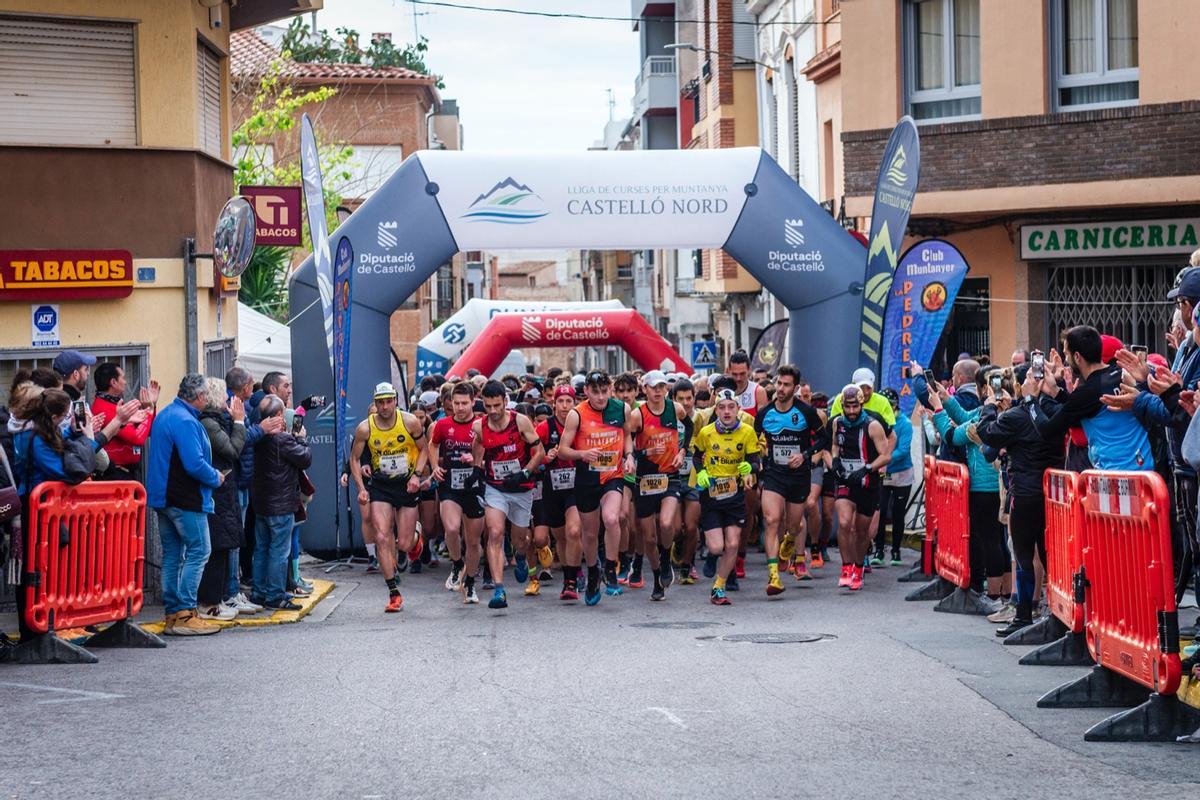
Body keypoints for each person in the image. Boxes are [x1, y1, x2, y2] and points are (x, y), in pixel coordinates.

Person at [974, 364, 1065, 636]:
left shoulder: (1018, 415)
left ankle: (1024, 615)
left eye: (1030, 377)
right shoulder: (1054, 412)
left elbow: (987, 433)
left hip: (1025, 491)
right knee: (1049, 555)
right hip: (1050, 492)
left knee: (1024, 554)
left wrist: (990, 405)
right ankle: (1056, 614)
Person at [145, 374, 225, 636]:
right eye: (206, 396)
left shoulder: (167, 415)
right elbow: (194, 463)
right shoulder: (185, 421)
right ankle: (185, 613)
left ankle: (173, 613)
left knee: (172, 555)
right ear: (200, 397)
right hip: (184, 498)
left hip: (164, 497)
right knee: (199, 550)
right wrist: (216, 476)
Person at [927, 368, 1007, 602]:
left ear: (984, 389)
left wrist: (938, 410)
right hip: (997, 486)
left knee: (990, 541)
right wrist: (946, 399)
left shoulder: (986, 416)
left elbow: (952, 436)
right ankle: (1004, 593)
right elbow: (964, 416)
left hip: (984, 488)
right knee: (1000, 541)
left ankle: (993, 596)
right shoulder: (997, 411)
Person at [1028, 326, 1154, 471]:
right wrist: (1056, 392)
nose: (1066, 360)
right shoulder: (1121, 375)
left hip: (1116, 476)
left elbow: (1047, 430)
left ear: (1077, 357)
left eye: (1066, 355)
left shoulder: (1088, 391)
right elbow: (1082, 406)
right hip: (1145, 471)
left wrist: (1030, 399)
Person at [349, 382, 426, 613]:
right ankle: (393, 592)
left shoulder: (409, 421)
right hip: (381, 485)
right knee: (382, 537)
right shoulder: (365, 428)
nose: (384, 407)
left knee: (403, 543)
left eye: (388, 401)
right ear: (376, 402)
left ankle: (415, 537)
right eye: (380, 402)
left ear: (395, 401)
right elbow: (354, 459)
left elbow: (425, 448)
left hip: (406, 484)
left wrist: (417, 475)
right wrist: (361, 488)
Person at [557, 370, 631, 606]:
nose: (600, 397)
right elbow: (562, 450)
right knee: (589, 533)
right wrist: (582, 454)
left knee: (612, 519)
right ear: (586, 391)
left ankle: (610, 566)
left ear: (610, 389)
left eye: (604, 391)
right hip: (587, 478)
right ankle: (592, 572)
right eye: (595, 392)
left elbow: (627, 436)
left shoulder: (621, 409)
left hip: (613, 475)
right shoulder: (576, 414)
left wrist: (629, 456)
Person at [471, 380, 545, 609]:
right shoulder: (479, 426)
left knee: (520, 540)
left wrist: (525, 473)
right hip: (496, 486)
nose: (492, 411)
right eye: (488, 406)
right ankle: (499, 590)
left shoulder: (520, 421)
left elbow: (539, 451)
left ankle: (521, 556)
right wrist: (476, 469)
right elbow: (478, 444)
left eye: (497, 406)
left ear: (505, 401)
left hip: (521, 488)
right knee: (494, 532)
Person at [755, 365, 826, 597]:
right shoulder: (765, 414)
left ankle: (789, 545)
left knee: (794, 527)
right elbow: (754, 441)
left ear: (795, 388)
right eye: (779, 384)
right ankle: (774, 576)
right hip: (775, 475)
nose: (781, 389)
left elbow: (824, 438)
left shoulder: (805, 412)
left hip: (798, 476)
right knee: (772, 520)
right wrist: (759, 458)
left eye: (786, 385)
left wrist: (804, 455)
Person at [693, 388, 761, 605]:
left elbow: (757, 461)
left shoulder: (747, 432)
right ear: (716, 410)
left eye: (731, 407)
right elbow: (696, 457)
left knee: (732, 544)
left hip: (735, 495)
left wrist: (749, 466)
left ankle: (718, 587)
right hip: (712, 496)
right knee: (716, 547)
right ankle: (713, 555)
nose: (727, 411)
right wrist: (702, 472)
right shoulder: (706, 432)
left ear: (738, 409)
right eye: (722, 407)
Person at [421, 381, 484, 603]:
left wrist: (477, 461)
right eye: (456, 403)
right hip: (450, 485)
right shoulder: (442, 425)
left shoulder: (480, 424)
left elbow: (489, 451)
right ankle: (457, 564)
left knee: (474, 542)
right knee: (451, 528)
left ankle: (471, 583)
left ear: (473, 402)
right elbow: (432, 445)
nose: (460, 407)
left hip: (474, 485)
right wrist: (434, 466)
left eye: (464, 403)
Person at [196, 378, 253, 620]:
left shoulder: (217, 421)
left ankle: (218, 598)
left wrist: (235, 421)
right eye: (224, 396)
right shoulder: (209, 423)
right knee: (217, 547)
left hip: (224, 488)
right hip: (217, 490)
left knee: (224, 544)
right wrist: (239, 421)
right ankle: (210, 601)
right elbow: (232, 450)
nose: (228, 400)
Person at [626, 370, 686, 601]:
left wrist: (682, 451)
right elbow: (627, 442)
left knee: (667, 521)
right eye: (653, 387)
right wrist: (639, 454)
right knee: (649, 537)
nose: (658, 390)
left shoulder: (675, 409)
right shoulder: (637, 415)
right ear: (645, 390)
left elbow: (689, 429)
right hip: (645, 480)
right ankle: (657, 575)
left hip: (670, 475)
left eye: (662, 386)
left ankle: (667, 556)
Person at [250, 394, 312, 612]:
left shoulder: (257, 437)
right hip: (281, 504)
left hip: (261, 503)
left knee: (261, 548)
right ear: (277, 415)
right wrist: (301, 438)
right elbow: (305, 458)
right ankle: (275, 594)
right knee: (279, 550)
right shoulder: (282, 439)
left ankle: (258, 592)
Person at [830, 385, 891, 591]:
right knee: (845, 523)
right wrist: (836, 461)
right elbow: (835, 445)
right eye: (847, 407)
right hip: (846, 479)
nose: (851, 411)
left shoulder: (872, 425)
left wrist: (867, 469)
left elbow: (885, 455)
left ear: (861, 404)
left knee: (862, 530)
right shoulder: (837, 423)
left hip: (867, 482)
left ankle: (858, 567)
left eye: (855, 406)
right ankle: (846, 567)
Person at [536, 384, 585, 601]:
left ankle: (570, 581)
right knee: (562, 538)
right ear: (553, 404)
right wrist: (545, 457)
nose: (565, 406)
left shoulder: (582, 425)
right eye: (561, 401)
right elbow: (533, 454)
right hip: (552, 489)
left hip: (576, 487)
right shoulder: (545, 427)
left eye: (569, 401)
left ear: (575, 404)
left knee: (574, 531)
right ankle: (571, 570)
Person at [90, 362, 159, 480]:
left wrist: (150, 407)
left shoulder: (114, 404)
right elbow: (137, 437)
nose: (125, 382)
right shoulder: (103, 408)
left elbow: (148, 431)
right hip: (115, 475)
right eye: (123, 377)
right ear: (113, 382)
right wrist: (149, 410)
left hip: (124, 471)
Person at [872, 388, 914, 567]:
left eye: (892, 405)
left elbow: (903, 449)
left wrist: (884, 459)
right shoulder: (876, 422)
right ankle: (879, 550)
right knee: (879, 512)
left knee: (898, 512)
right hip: (882, 471)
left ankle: (896, 550)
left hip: (901, 471)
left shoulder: (904, 423)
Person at [670, 378, 701, 585]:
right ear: (673, 399)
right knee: (676, 529)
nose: (685, 403)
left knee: (691, 526)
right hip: (672, 478)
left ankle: (687, 566)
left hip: (694, 478)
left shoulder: (702, 419)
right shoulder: (667, 418)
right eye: (680, 399)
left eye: (689, 398)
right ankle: (677, 546)